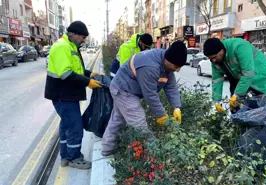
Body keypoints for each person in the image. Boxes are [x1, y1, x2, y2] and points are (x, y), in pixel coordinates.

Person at [101, 41, 187, 156]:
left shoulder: (167, 65)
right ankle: (154, 152)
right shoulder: (150, 66)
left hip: (127, 89)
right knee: (139, 121)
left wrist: (177, 107)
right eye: (176, 66)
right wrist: (161, 115)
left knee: (118, 118)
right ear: (167, 60)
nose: (177, 70)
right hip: (123, 89)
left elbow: (171, 87)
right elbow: (150, 95)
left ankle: (108, 148)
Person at [44, 21, 102, 169]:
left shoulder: (70, 46)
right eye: (82, 37)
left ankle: (65, 156)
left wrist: (89, 74)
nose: (83, 40)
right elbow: (66, 74)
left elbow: (75, 69)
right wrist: (88, 82)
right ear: (74, 34)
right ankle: (74, 158)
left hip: (67, 94)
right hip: (63, 94)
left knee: (66, 125)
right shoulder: (62, 47)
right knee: (75, 126)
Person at [203, 38, 266, 113]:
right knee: (236, 110)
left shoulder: (239, 46)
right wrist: (217, 102)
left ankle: (261, 125)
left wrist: (237, 95)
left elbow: (248, 74)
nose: (213, 60)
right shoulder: (215, 61)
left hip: (262, 79)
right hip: (241, 79)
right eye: (211, 59)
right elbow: (216, 81)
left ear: (221, 50)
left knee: (255, 113)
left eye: (215, 57)